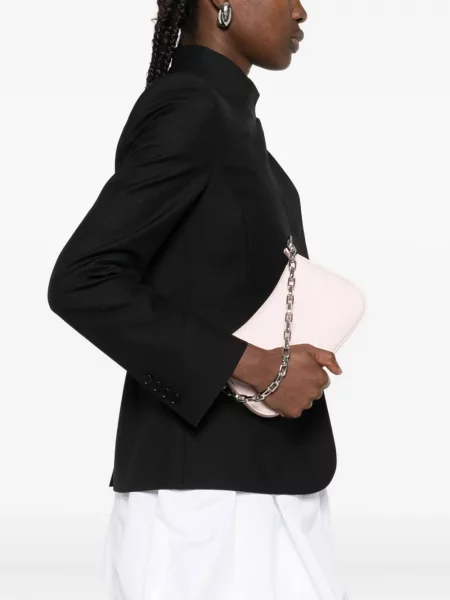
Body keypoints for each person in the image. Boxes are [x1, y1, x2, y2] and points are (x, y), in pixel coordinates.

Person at [47, 0, 350, 597]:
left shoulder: (230, 121)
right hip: (208, 514)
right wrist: (257, 367)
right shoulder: (191, 108)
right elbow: (83, 278)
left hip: (257, 486)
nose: (301, 11)